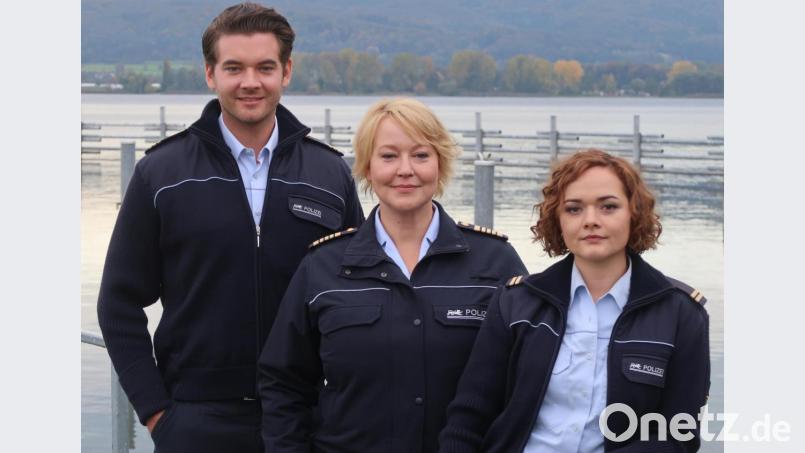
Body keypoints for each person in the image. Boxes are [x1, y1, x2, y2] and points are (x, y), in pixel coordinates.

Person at [96, 3, 364, 452]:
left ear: (287, 71)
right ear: (210, 73)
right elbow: (118, 302)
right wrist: (158, 412)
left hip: (308, 420)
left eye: (265, 67)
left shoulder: (329, 174)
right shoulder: (162, 174)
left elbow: (359, 294)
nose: (250, 82)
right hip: (195, 421)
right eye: (234, 67)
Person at [258, 97, 527, 452]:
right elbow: (284, 383)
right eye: (388, 156)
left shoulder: (495, 263)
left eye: (420, 155)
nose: (405, 169)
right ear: (368, 168)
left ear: (440, 164)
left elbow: (528, 379)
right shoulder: (323, 266)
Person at [439, 149, 710, 452]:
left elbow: (678, 435)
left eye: (608, 207)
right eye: (574, 209)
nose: (590, 221)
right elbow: (468, 418)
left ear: (634, 214)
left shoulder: (681, 314)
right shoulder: (516, 304)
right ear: (558, 219)